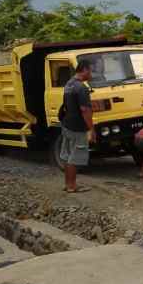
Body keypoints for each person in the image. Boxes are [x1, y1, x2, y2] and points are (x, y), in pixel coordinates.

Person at [60, 59, 95, 193]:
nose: (91, 74)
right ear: (85, 69)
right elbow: (85, 110)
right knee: (75, 157)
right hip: (77, 127)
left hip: (67, 125)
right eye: (91, 70)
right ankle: (72, 186)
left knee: (68, 156)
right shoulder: (81, 87)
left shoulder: (69, 84)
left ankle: (68, 184)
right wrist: (91, 129)